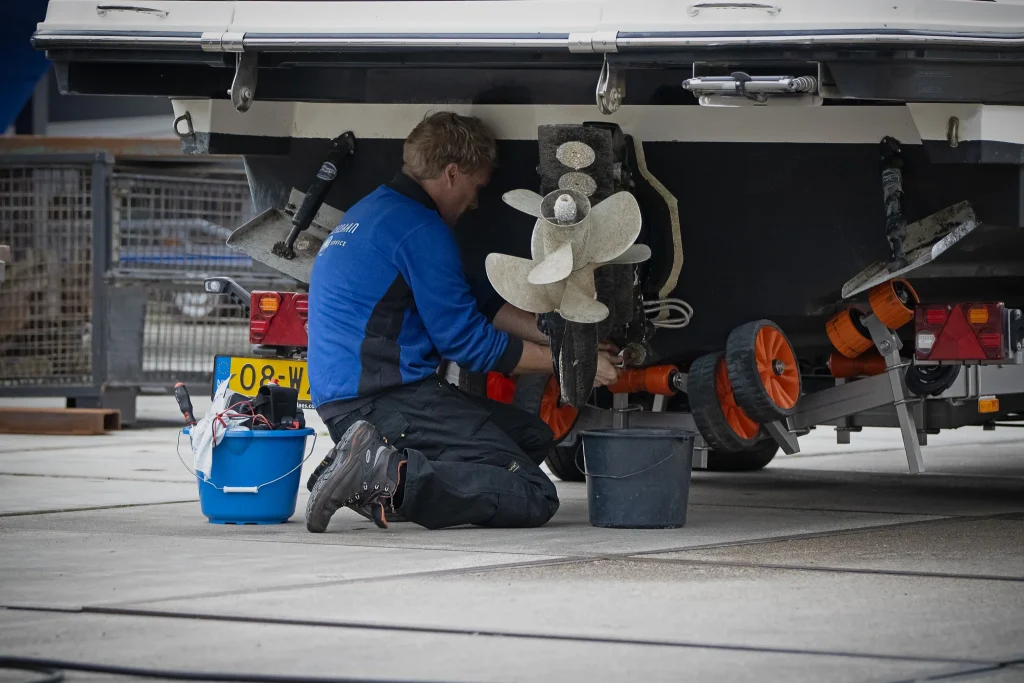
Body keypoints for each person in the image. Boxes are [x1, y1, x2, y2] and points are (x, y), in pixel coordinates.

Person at [304, 111, 619, 532]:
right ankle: (388, 477)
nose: (474, 203)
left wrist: (560, 338)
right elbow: (468, 345)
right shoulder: (421, 230)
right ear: (452, 173)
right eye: (477, 187)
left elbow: (476, 302)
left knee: (531, 438)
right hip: (383, 403)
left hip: (356, 404)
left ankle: (366, 469)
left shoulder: (376, 210)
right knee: (533, 494)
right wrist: (575, 365)